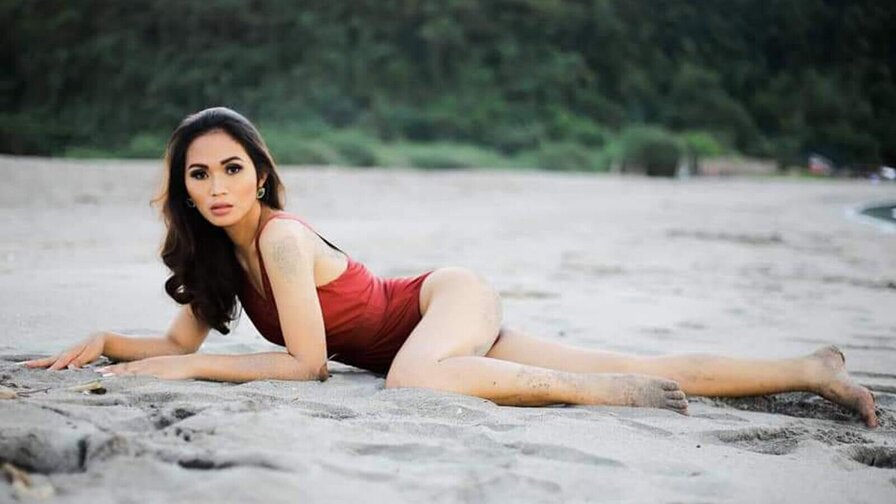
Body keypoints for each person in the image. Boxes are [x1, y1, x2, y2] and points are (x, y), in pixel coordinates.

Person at [23, 107, 878, 428]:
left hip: (441, 304)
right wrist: (109, 342)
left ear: (260, 174)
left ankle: (597, 394)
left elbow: (308, 365)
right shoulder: (221, 255)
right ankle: (813, 370)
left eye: (232, 169)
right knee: (647, 360)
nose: (216, 187)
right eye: (199, 174)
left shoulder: (280, 238)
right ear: (182, 185)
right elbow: (178, 343)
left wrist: (190, 370)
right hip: (433, 341)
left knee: (414, 381)